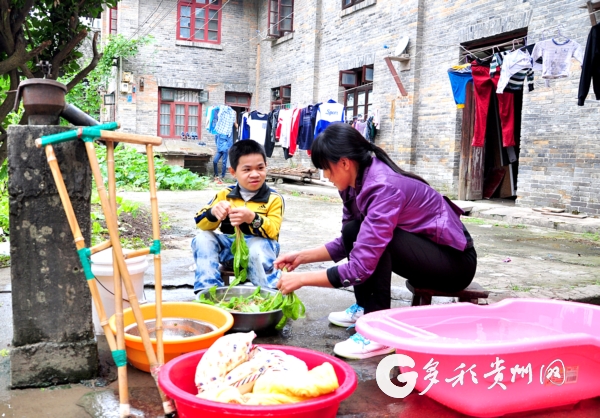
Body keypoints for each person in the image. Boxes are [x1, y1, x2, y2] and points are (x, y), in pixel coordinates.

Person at [274, 123, 477, 360]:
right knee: (354, 231)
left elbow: (361, 266)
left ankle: (378, 332)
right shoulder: (352, 185)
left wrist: (302, 279)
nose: (326, 177)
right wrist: (302, 257)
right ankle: (364, 307)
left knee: (381, 242)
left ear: (344, 163)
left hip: (455, 264)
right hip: (427, 256)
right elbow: (348, 241)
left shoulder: (383, 188)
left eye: (326, 169)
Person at [192, 140, 284, 293]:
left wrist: (253, 218)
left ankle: (270, 293)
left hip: (261, 252)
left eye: (260, 168)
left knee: (258, 247)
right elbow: (200, 223)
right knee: (203, 238)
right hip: (230, 252)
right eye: (247, 169)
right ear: (233, 172)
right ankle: (208, 291)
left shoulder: (273, 198)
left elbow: (273, 231)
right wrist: (214, 213)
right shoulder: (225, 194)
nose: (255, 174)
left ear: (266, 167)